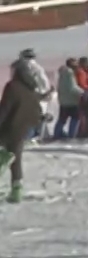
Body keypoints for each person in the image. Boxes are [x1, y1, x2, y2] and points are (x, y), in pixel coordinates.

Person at [0, 60, 44, 201]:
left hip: (9, 127)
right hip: (24, 128)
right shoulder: (30, 88)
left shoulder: (12, 86)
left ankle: (14, 188)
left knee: (6, 156)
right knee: (15, 158)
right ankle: (16, 190)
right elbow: (36, 110)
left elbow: (5, 108)